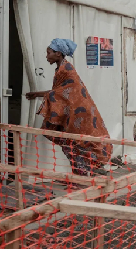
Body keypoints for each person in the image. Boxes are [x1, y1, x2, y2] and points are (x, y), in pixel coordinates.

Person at [26, 38, 112, 178]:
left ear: (58, 53)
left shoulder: (66, 70)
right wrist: (37, 94)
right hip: (74, 113)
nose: (46, 56)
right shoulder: (61, 69)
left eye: (49, 53)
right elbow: (60, 92)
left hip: (81, 114)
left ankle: (86, 174)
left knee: (77, 143)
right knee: (70, 144)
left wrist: (36, 94)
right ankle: (82, 175)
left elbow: (64, 92)